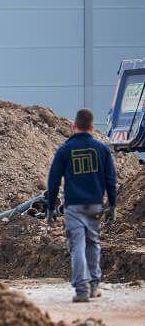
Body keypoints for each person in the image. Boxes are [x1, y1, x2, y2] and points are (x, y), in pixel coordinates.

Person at [46, 108, 117, 303]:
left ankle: (81, 290)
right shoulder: (101, 149)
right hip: (95, 205)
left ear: (73, 125)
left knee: (77, 245)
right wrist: (113, 205)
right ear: (92, 128)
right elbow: (111, 180)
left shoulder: (65, 150)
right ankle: (94, 286)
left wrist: (51, 207)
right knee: (93, 243)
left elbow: (53, 181)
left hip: (74, 206)